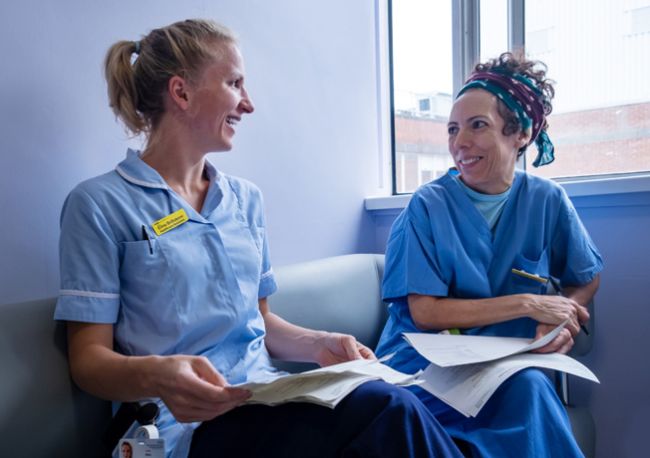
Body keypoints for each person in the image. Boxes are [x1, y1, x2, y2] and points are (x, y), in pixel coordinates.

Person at [54, 19, 463, 458]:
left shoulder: (244, 200)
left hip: (264, 396)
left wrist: (318, 343)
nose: (247, 104)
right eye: (234, 83)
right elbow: (88, 362)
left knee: (392, 403)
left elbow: (261, 322)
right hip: (183, 424)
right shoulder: (98, 203)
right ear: (182, 93)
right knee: (386, 411)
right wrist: (159, 374)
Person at [375, 52, 603, 457]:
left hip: (503, 364)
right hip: (423, 365)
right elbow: (425, 311)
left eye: (477, 126)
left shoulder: (547, 201)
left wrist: (563, 317)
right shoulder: (427, 206)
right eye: (452, 129)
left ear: (521, 134)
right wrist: (529, 304)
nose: (459, 143)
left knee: (530, 387)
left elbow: (585, 276)